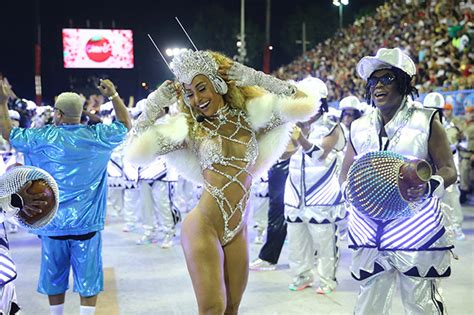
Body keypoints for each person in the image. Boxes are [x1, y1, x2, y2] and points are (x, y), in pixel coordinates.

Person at [126, 49, 318, 314]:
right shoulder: (190, 131)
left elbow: (305, 103)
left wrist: (254, 78)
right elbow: (135, 149)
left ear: (218, 84)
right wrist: (154, 105)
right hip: (203, 226)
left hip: (238, 229)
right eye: (189, 94)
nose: (197, 99)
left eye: (201, 88)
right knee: (212, 309)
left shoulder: (251, 121)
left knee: (232, 308)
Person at [339, 48, 457, 315]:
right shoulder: (358, 126)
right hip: (369, 229)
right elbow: (345, 174)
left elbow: (449, 169)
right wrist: (352, 193)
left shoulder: (426, 119)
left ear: (404, 83)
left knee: (420, 305)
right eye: (373, 81)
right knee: (368, 304)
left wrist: (427, 187)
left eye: (387, 79)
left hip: (415, 229)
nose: (377, 86)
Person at [0, 78, 131, 315]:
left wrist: (2, 102)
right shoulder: (98, 136)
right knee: (89, 279)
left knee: (54, 277)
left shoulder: (41, 137)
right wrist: (113, 94)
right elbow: (125, 124)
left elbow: (8, 133)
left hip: (52, 226)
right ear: (80, 113)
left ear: (58, 114)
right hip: (87, 226)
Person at [284, 77, 346, 294]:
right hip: (294, 193)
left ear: (319, 101)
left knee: (325, 242)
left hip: (321, 194)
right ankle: (302, 275)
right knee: (296, 240)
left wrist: (299, 137)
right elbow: (283, 156)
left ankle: (327, 280)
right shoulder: (293, 123)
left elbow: (319, 154)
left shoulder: (332, 124)